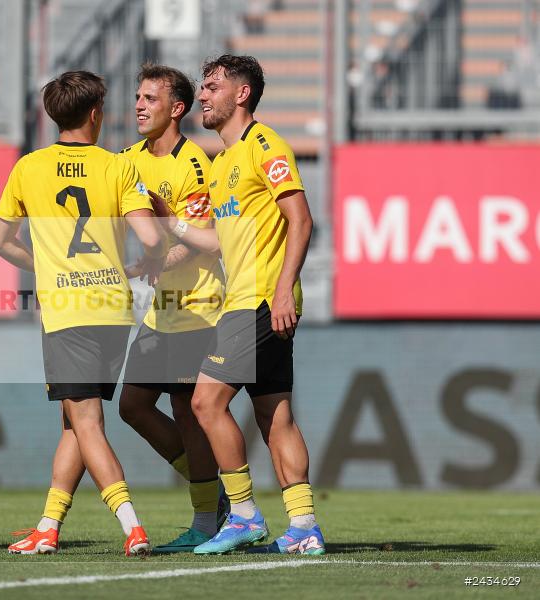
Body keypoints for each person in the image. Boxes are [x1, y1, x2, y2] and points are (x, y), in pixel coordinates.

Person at [150, 54, 324, 555]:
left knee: (205, 402)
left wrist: (284, 289)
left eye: (211, 87)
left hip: (260, 299)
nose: (202, 97)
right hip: (245, 300)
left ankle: (244, 514)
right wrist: (172, 227)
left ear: (241, 94)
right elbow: (219, 242)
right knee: (275, 416)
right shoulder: (223, 162)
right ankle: (304, 527)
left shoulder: (263, 144)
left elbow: (301, 219)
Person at [0, 70, 167, 557]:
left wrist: (46, 265)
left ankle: (133, 527)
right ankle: (48, 527)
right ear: (94, 113)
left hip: (68, 311)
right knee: (74, 420)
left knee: (86, 422)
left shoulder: (29, 168)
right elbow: (151, 238)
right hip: (113, 309)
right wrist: (151, 258)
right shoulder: (117, 167)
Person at [118, 64, 228, 553]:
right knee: (133, 406)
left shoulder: (194, 164)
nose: (139, 106)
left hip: (197, 306)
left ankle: (205, 519)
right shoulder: (126, 160)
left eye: (150, 98)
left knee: (187, 410)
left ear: (177, 108)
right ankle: (213, 493)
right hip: (159, 310)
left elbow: (203, 240)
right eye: (138, 97)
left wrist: (152, 263)